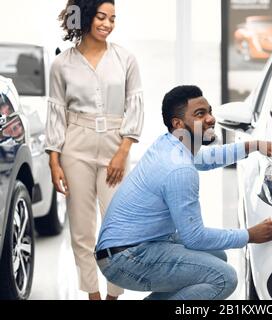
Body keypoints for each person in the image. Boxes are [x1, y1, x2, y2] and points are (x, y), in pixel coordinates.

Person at [95, 85, 272, 300]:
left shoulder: (170, 144)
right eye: (200, 114)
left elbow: (207, 158)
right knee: (224, 278)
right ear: (178, 124)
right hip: (125, 258)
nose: (211, 119)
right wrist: (250, 235)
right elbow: (194, 238)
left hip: (131, 246)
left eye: (209, 111)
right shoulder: (180, 170)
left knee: (217, 257)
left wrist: (254, 145)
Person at [45, 0, 144, 300]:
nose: (108, 24)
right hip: (76, 145)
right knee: (82, 229)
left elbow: (135, 105)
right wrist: (54, 161)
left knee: (118, 227)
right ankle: (93, 296)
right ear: (86, 17)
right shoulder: (62, 64)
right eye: (101, 17)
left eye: (113, 18)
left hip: (116, 143)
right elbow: (56, 113)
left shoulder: (126, 59)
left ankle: (114, 295)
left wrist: (123, 150)